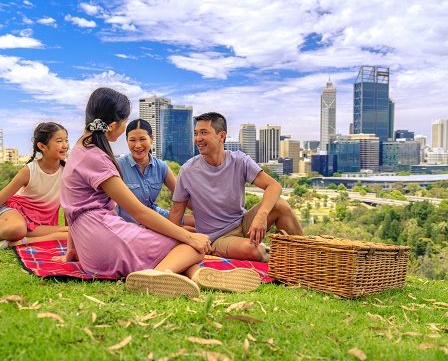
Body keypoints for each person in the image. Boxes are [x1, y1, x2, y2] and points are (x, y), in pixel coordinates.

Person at [58, 87, 260, 298]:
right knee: (192, 245)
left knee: (183, 246)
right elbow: (139, 212)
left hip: (91, 246)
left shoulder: (81, 149)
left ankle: (197, 275)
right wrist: (190, 238)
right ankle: (154, 276)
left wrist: (72, 251)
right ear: (113, 125)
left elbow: (72, 209)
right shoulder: (97, 157)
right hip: (105, 243)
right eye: (125, 123)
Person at [168, 112, 303, 262]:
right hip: (217, 237)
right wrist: (169, 245)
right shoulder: (188, 171)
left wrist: (261, 215)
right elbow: (176, 212)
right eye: (196, 133)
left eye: (204, 133)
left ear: (222, 136)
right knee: (254, 251)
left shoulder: (239, 160)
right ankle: (281, 261)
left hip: (243, 222)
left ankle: (305, 258)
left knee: (280, 205)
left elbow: (274, 186)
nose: (198, 138)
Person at [116, 118, 194, 228]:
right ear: (127, 141)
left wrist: (210, 213)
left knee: (197, 223)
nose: (137, 145)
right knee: (188, 231)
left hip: (155, 215)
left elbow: (183, 197)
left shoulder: (161, 167)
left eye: (142, 139)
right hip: (130, 224)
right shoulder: (118, 166)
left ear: (152, 139)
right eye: (132, 140)